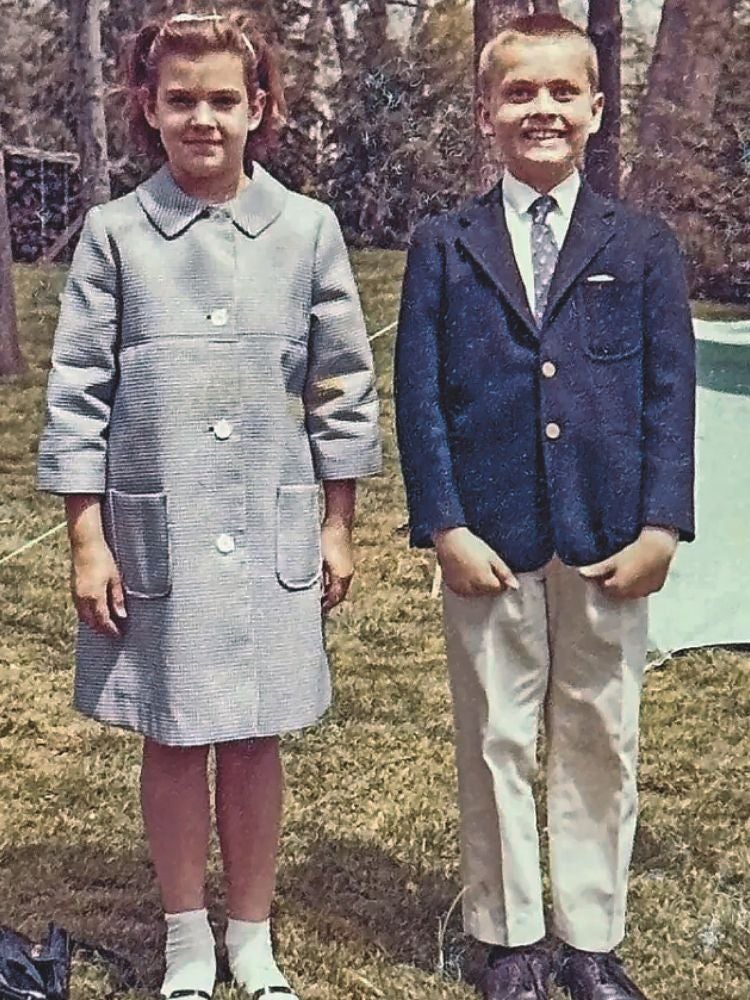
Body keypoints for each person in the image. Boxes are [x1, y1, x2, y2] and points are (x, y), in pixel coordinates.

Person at [37, 11, 381, 1000]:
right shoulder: (114, 236)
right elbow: (76, 398)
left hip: (272, 524)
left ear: (258, 106)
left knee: (256, 730)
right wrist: (87, 540)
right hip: (162, 527)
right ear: (147, 108)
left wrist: (336, 521)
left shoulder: (307, 230)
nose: (203, 119)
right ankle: (188, 936)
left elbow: (343, 390)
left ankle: (251, 935)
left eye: (224, 99)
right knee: (176, 728)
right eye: (180, 100)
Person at [394, 14, 695, 1000]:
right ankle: (511, 934)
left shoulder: (641, 246)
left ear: (597, 109)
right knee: (496, 731)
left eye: (564, 92)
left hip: (610, 535)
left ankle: (591, 936)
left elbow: (668, 393)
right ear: (485, 114)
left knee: (600, 727)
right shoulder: (445, 245)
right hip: (489, 534)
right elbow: (422, 396)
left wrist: (661, 524)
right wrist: (444, 524)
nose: (543, 110)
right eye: (519, 93)